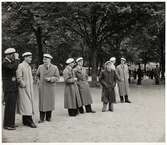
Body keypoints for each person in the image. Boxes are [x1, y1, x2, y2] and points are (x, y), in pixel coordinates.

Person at [36, 54, 60, 123]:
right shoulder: (40, 67)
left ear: (50, 60)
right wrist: (37, 80)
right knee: (42, 102)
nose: (45, 61)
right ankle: (41, 118)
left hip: (50, 87)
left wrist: (51, 79)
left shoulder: (55, 68)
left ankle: (48, 117)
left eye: (46, 59)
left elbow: (57, 77)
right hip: (42, 87)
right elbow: (37, 75)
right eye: (44, 59)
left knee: (50, 102)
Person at [16, 52, 37, 128]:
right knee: (26, 104)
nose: (30, 59)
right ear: (25, 57)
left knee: (28, 104)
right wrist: (22, 84)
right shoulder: (21, 66)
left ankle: (25, 120)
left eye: (31, 57)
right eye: (29, 57)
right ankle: (29, 120)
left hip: (29, 88)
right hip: (23, 89)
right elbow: (19, 77)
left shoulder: (28, 66)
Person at [2, 48, 20, 130]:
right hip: (9, 88)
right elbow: (13, 68)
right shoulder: (4, 63)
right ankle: (7, 125)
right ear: (8, 55)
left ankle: (11, 123)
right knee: (9, 106)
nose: (14, 57)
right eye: (13, 55)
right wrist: (16, 59)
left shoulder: (10, 62)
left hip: (12, 87)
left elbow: (14, 67)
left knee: (12, 106)